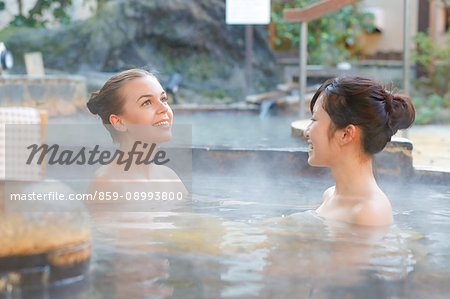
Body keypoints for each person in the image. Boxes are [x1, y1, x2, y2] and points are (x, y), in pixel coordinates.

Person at [303, 77, 415, 226]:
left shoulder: (368, 212)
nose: (306, 131)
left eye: (314, 119)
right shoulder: (329, 196)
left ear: (346, 134)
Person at [86, 69, 188, 206]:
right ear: (119, 122)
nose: (163, 108)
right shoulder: (108, 183)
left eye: (163, 99)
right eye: (147, 102)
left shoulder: (168, 177)